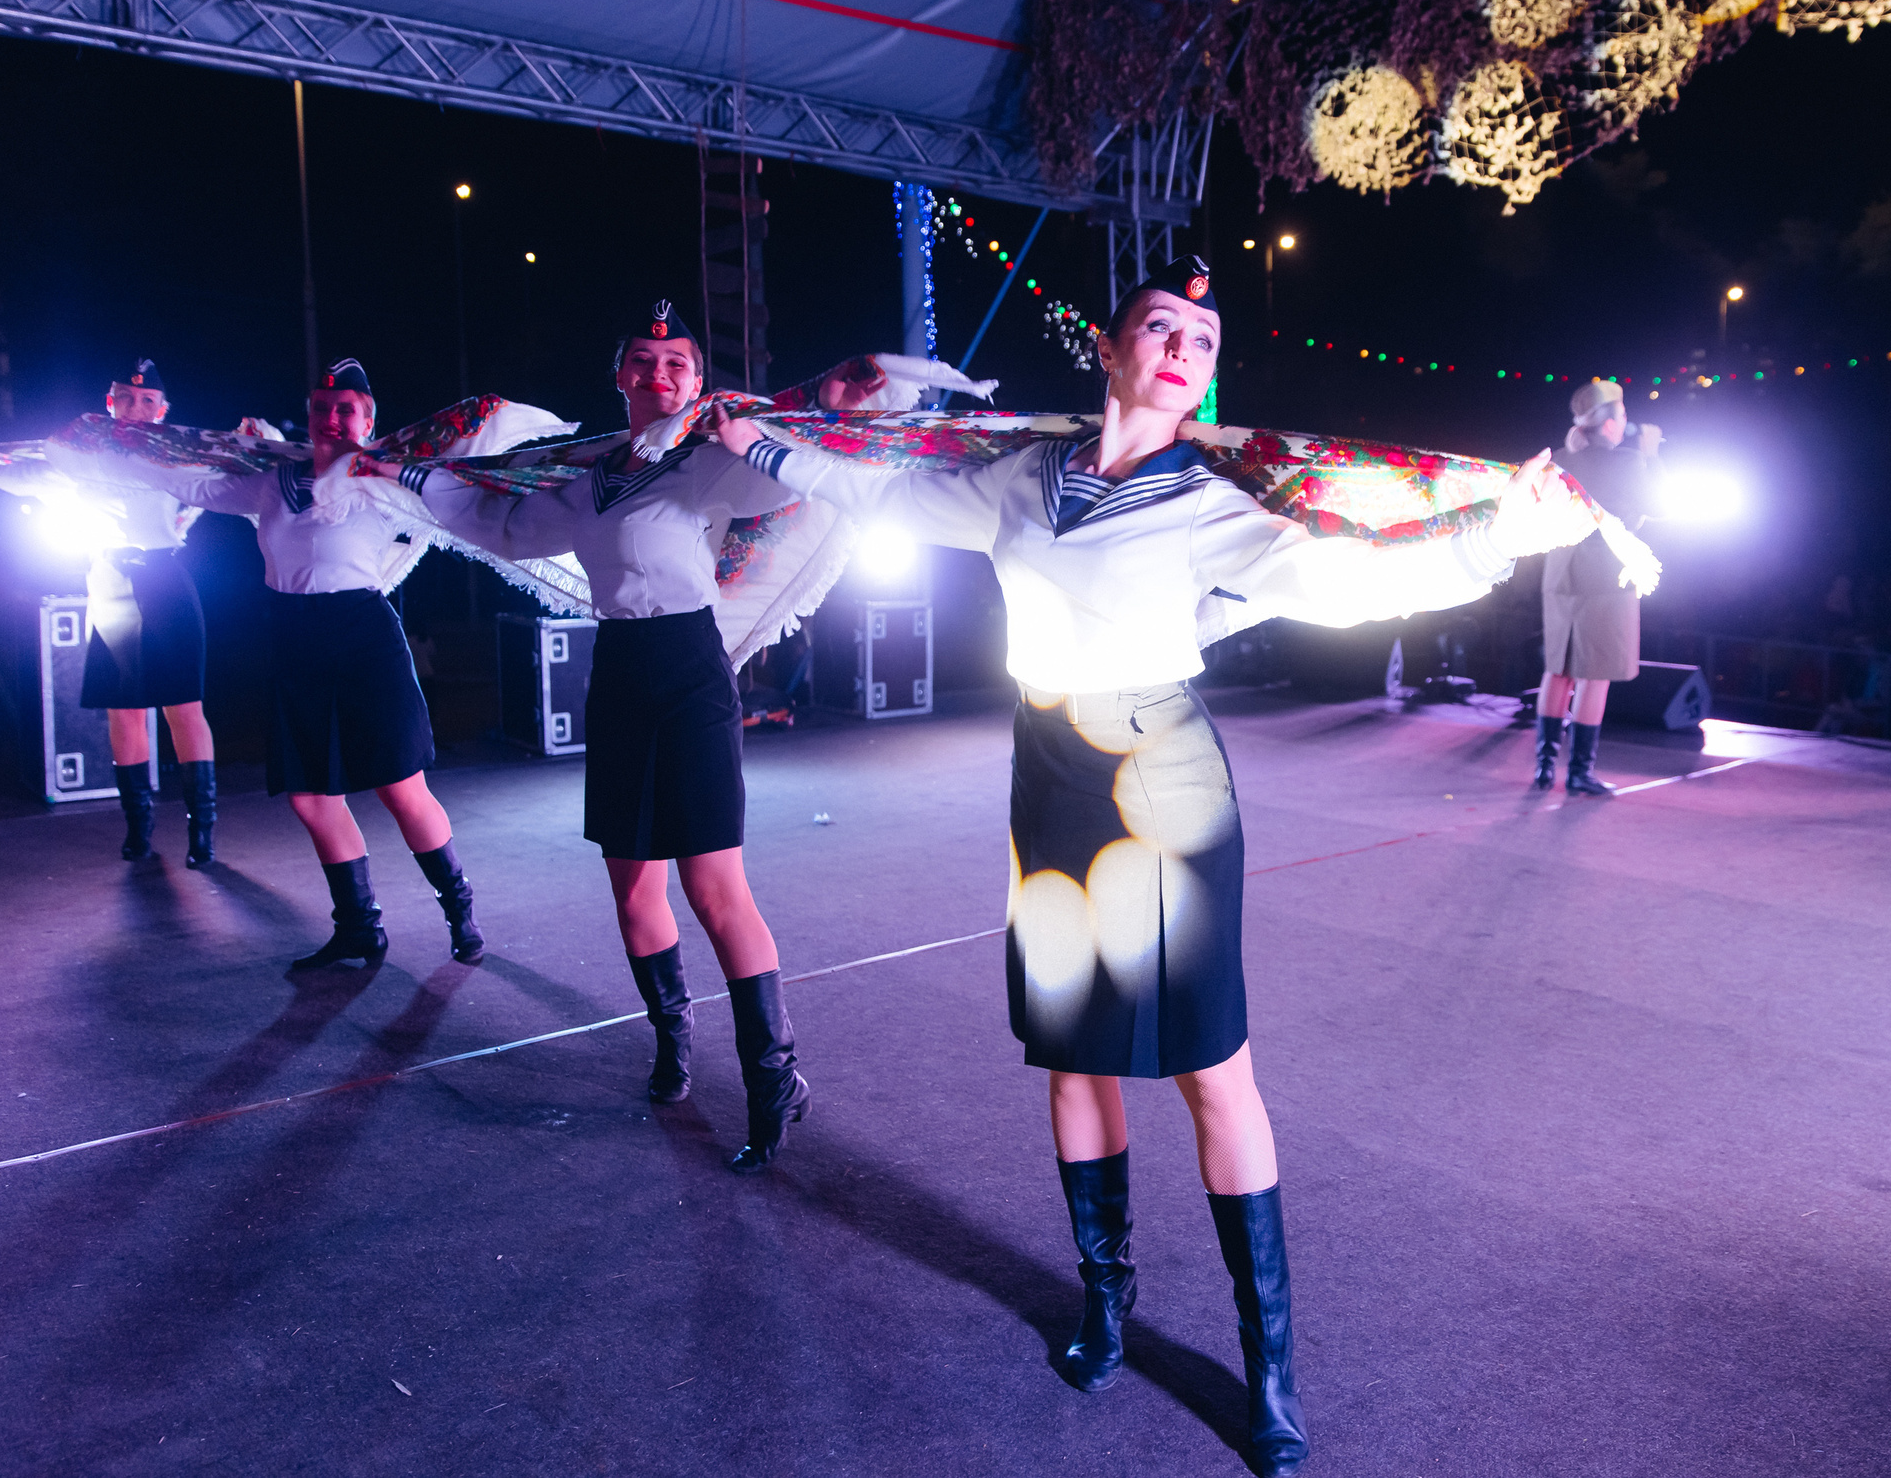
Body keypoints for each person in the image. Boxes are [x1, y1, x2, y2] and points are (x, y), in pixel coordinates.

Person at [712, 257, 1592, 1476]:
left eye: (1203, 333)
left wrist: (1500, 531)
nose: (1182, 340)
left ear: (1206, 375)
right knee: (1073, 1052)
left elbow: (1351, 581)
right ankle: (1107, 1298)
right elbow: (876, 497)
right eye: (1159, 323)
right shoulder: (1020, 481)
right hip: (1049, 779)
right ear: (1112, 351)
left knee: (1208, 1066)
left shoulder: (1211, 505)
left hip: (1160, 785)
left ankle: (1269, 1361)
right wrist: (760, 444)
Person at [377, 303, 883, 1172]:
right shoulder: (584, 479)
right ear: (619, 377)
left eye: (677, 364)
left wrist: (832, 410)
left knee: (714, 888)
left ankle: (774, 1078)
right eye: (643, 362)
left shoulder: (707, 463)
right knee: (632, 885)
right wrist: (401, 476)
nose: (659, 375)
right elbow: (497, 523)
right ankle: (672, 1041)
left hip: (690, 668)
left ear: (695, 381)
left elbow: (780, 477)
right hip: (620, 673)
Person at [152, 360, 483, 970]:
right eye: (321, 409)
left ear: (369, 418)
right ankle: (360, 927)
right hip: (294, 638)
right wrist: (128, 456)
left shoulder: (385, 483)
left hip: (363, 637)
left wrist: (402, 467)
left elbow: (465, 500)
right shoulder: (272, 480)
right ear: (308, 417)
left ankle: (458, 910)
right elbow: (196, 485)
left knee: (401, 788)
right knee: (310, 798)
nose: (332, 418)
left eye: (346, 409)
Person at [0, 359, 223, 864]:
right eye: (126, 398)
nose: (136, 408)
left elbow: (232, 478)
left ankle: (201, 831)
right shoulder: (79, 458)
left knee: (184, 709)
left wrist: (257, 440)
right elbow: (17, 477)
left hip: (165, 583)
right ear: (110, 403)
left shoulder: (177, 456)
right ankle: (138, 827)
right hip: (110, 585)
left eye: (147, 401)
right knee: (124, 710)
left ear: (162, 411)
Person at [1533, 379, 1660, 795]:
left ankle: (1544, 768)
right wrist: (1651, 455)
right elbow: (1646, 512)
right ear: (1607, 424)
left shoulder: (1562, 460)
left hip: (1559, 575)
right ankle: (1579, 772)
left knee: (1559, 670)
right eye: (1622, 415)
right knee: (1594, 676)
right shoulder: (1626, 463)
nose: (1626, 423)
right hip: (1605, 579)